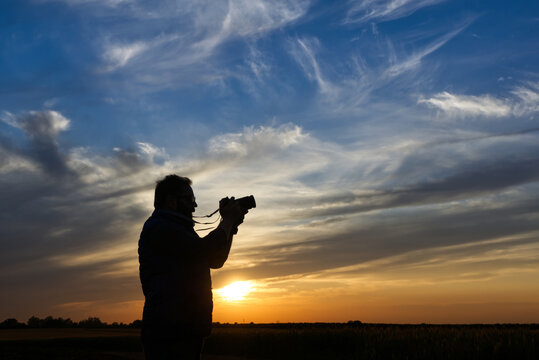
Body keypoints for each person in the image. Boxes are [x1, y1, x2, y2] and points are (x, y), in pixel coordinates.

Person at [138, 174, 246, 359]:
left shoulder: (181, 230)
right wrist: (226, 222)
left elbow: (215, 260)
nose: (195, 205)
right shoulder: (160, 227)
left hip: (186, 328)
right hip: (169, 331)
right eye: (190, 199)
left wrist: (230, 226)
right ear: (171, 201)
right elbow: (201, 251)